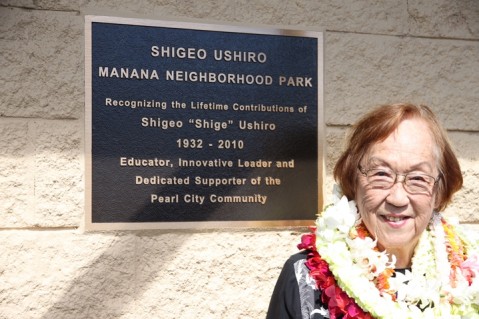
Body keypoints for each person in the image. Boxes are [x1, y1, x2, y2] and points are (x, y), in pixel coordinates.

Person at [266, 103, 479, 319]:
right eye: (381, 174)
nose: (397, 198)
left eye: (418, 178)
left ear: (439, 192)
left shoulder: (470, 278)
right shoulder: (305, 278)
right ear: (353, 182)